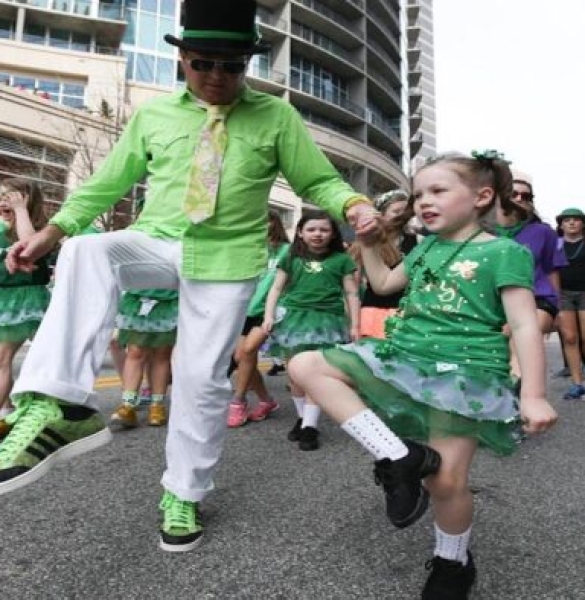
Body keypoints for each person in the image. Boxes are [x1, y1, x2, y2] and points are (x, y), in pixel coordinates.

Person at [0, 0, 376, 553]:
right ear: (183, 60)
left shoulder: (276, 118)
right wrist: (51, 232)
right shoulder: (154, 116)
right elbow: (105, 184)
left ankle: (184, 491)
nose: (218, 76)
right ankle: (59, 405)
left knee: (201, 380)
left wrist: (355, 205)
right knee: (86, 251)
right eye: (205, 63)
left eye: (232, 66)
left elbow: (318, 181)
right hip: (156, 240)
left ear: (247, 63)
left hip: (227, 259)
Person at [288, 151, 558, 598]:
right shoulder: (426, 245)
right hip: (405, 358)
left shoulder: (505, 251)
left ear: (481, 197)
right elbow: (386, 283)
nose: (423, 202)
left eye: (438, 191)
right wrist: (371, 244)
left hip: (466, 373)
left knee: (446, 482)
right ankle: (397, 456)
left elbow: (527, 324)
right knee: (306, 364)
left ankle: (453, 562)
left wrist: (534, 393)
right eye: (418, 195)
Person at [263, 210, 360, 450]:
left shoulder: (342, 260)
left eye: (324, 229)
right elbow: (276, 289)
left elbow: (351, 293)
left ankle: (310, 427)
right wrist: (268, 315)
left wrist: (356, 324)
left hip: (328, 321)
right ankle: (302, 418)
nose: (318, 234)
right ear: (300, 233)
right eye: (311, 229)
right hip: (293, 320)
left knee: (315, 373)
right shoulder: (290, 256)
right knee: (295, 374)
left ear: (333, 233)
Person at [495, 171, 568, 394]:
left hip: (539, 299)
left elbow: (552, 270)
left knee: (520, 343)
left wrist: (560, 310)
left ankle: (519, 404)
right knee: (498, 353)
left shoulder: (544, 232)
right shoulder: (482, 232)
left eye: (526, 196)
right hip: (495, 302)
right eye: (514, 194)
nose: (519, 199)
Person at [227, 209, 289, 428]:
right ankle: (267, 401)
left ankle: (238, 400)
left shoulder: (287, 251)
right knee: (241, 357)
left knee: (248, 351)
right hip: (244, 309)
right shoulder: (247, 250)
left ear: (274, 224)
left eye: (266, 222)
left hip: (270, 310)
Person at [0, 178, 50, 432]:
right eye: (2, 197)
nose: (5, 201)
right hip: (3, 299)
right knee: (2, 358)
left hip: (28, 299)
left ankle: (35, 405)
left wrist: (20, 211)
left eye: (12, 196)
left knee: (39, 356)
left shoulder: (41, 230)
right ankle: (5, 408)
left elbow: (31, 246)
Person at [352, 189, 418, 339]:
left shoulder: (417, 240)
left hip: (407, 313)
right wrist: (353, 322)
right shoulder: (365, 242)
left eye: (405, 210)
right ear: (380, 213)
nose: (401, 215)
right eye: (396, 211)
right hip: (372, 311)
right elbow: (353, 287)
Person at [110, 288, 178, 428]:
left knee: (161, 354)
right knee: (135, 352)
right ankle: (127, 405)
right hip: (137, 298)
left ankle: (157, 406)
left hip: (168, 300)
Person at [555, 208, 585, 399]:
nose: (572, 223)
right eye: (567, 220)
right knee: (570, 338)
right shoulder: (555, 245)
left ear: (583, 224)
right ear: (561, 225)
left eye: (576, 220)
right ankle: (577, 383)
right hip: (563, 294)